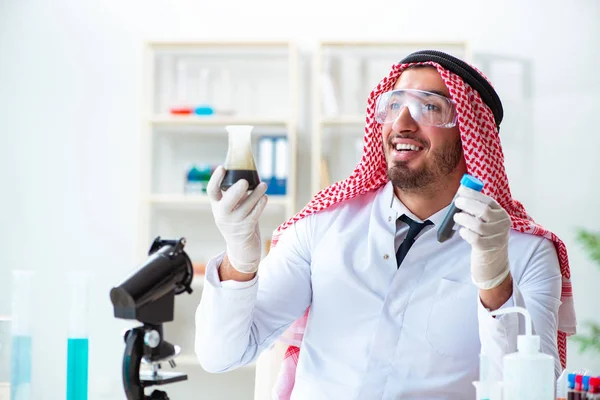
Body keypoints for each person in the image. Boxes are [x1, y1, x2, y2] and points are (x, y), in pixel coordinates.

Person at [195, 50, 577, 399]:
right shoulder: (322, 226)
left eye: (429, 107)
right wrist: (240, 263)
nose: (402, 122)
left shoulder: (524, 252)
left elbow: (533, 393)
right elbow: (221, 355)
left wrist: (496, 283)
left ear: (472, 134)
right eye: (394, 105)